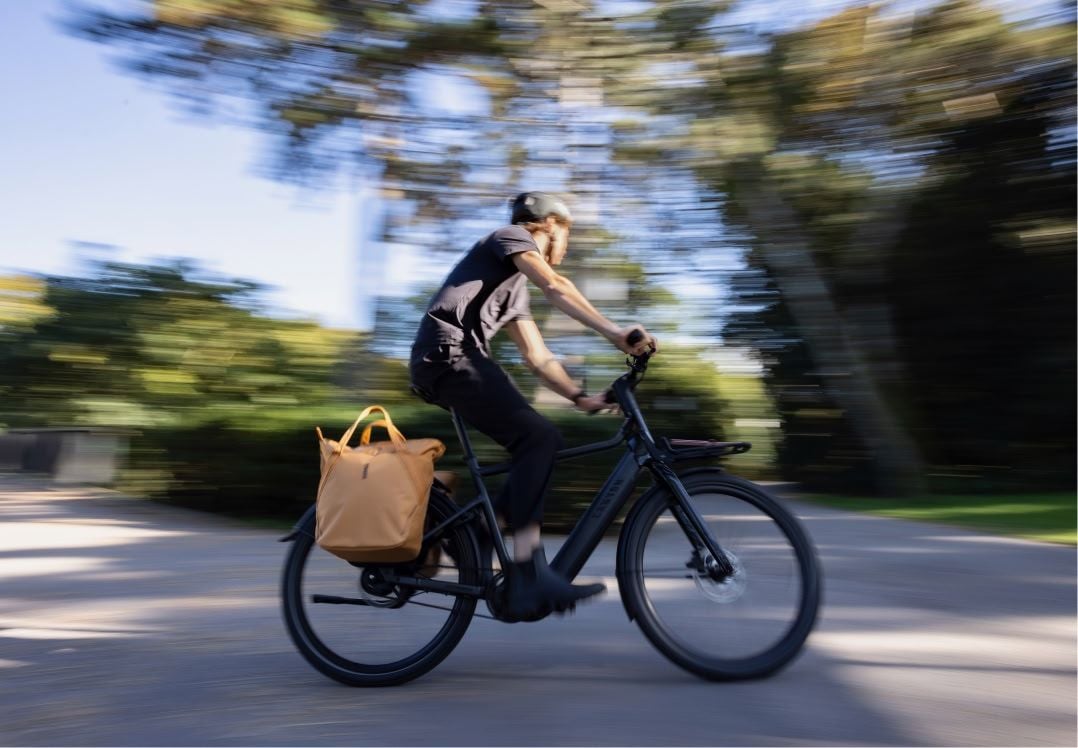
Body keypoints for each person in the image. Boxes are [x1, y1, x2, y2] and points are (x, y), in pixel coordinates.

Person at [408, 192, 658, 619]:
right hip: (448, 355)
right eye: (567, 235)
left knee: (539, 442)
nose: (567, 246)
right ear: (550, 226)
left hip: (456, 360)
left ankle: (480, 534)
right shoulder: (508, 239)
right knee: (538, 438)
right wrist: (616, 333)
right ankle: (527, 572)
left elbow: (537, 357)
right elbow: (557, 287)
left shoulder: (513, 288)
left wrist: (582, 398)